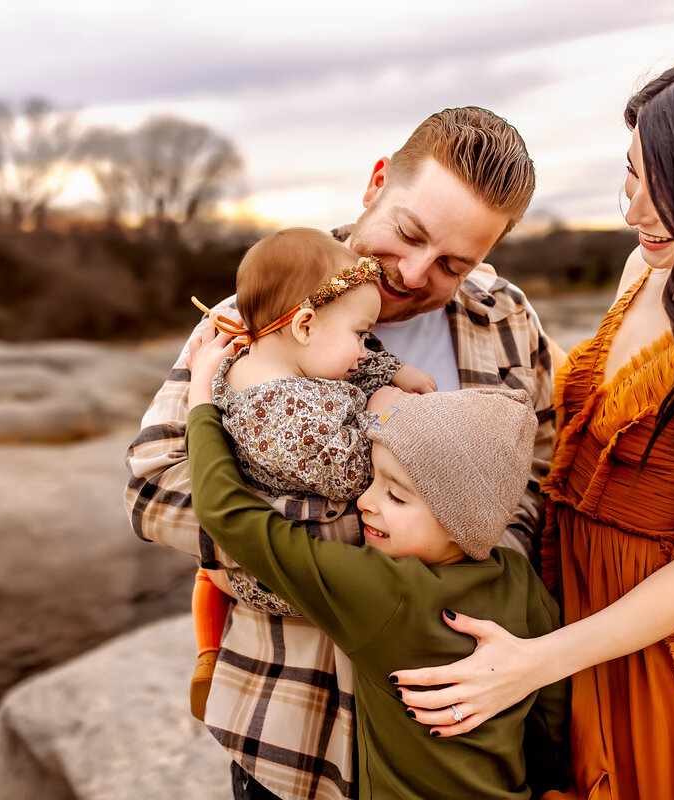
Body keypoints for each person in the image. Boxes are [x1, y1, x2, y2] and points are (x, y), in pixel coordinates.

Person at [390, 43, 674, 799]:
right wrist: (459, 288)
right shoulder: (646, 266)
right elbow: (587, 400)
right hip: (554, 606)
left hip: (649, 666)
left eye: (664, 188)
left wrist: (532, 662)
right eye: (632, 178)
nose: (636, 212)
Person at [124, 106, 558, 800]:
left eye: (453, 263)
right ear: (377, 182)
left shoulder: (505, 318)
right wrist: (367, 557)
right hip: (297, 732)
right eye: (409, 233)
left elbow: (540, 471)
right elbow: (153, 488)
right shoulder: (259, 310)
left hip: (461, 740)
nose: (414, 273)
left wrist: (479, 568)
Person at [186, 330, 569, 798]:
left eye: (395, 494)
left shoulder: (381, 591)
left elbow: (226, 513)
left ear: (458, 520)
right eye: (372, 479)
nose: (364, 502)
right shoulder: (520, 578)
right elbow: (551, 706)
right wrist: (552, 782)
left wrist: (201, 400)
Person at [186, 228, 436, 719]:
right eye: (362, 335)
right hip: (291, 579)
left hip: (266, 555)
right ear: (303, 325)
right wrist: (386, 410)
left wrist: (391, 370)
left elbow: (338, 356)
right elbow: (349, 474)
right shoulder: (285, 414)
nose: (366, 350)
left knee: (205, 574)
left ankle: (206, 649)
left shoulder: (263, 359)